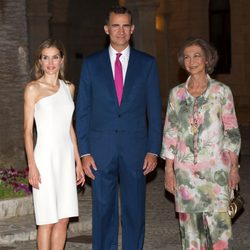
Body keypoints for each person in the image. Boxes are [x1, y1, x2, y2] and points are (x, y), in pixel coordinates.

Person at [75, 6, 162, 250]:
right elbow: (83, 111)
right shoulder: (92, 64)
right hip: (100, 151)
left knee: (134, 211)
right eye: (115, 25)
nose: (120, 31)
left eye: (125, 26)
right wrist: (84, 153)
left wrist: (153, 150)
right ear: (107, 29)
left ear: (132, 29)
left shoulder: (147, 64)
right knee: (103, 211)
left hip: (136, 151)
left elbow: (154, 112)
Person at [161, 37, 241, 250]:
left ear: (207, 59)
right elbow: (170, 133)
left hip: (217, 172)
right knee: (191, 238)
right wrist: (169, 170)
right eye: (187, 57)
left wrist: (234, 168)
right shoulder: (176, 94)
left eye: (197, 55)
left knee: (220, 237)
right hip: (185, 176)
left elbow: (232, 132)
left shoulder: (221, 92)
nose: (192, 61)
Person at [24, 38, 85, 250]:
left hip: (65, 158)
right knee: (47, 220)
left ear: (62, 60)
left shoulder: (69, 88)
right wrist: (32, 165)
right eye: (45, 58)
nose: (50, 62)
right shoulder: (33, 89)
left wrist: (78, 162)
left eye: (55, 57)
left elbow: (70, 128)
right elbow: (27, 131)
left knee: (63, 219)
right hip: (44, 158)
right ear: (40, 61)